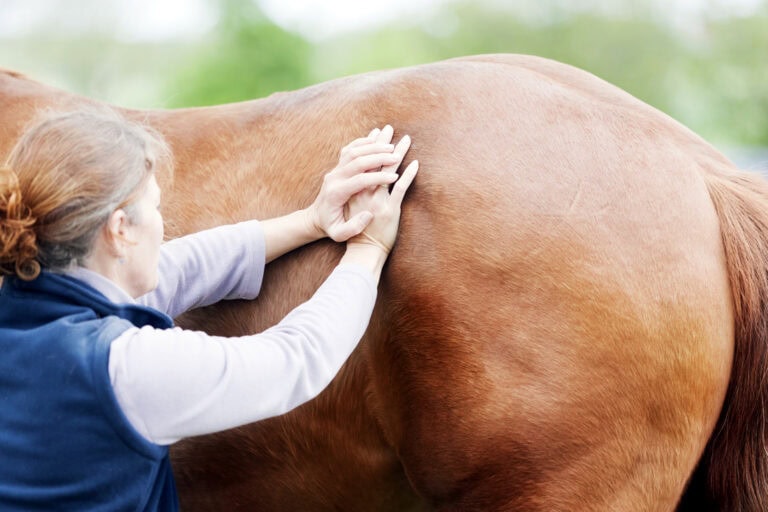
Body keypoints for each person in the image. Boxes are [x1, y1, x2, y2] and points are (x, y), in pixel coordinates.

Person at [0, 108, 418, 511]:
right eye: (156, 208)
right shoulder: (121, 367)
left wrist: (311, 221)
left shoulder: (23, 307)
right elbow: (295, 360)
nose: (162, 226)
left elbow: (182, 267)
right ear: (120, 230)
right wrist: (369, 250)